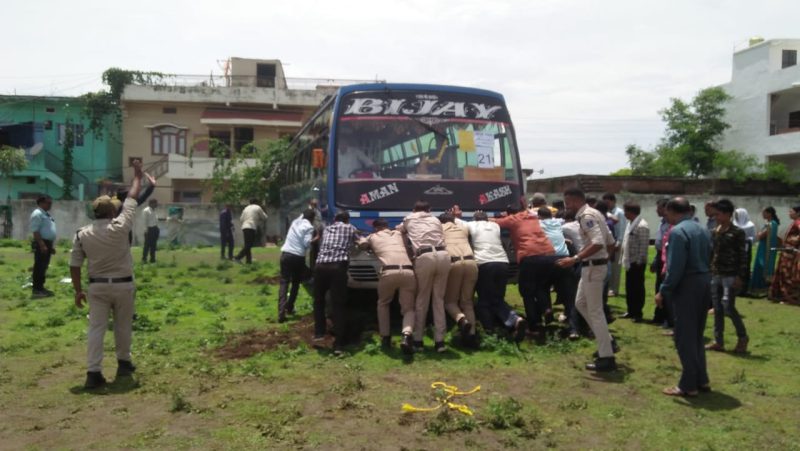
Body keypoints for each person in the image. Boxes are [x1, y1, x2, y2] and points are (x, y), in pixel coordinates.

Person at [69, 163, 144, 389]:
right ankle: (123, 362)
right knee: (123, 326)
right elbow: (132, 197)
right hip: (123, 285)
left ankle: (93, 373)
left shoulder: (82, 234)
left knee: (96, 329)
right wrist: (138, 176)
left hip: (97, 287)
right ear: (112, 212)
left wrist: (77, 290)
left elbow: (74, 264)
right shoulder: (121, 226)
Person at [655, 197, 712, 397]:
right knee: (696, 334)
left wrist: (664, 290)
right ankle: (701, 378)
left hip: (688, 284)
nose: (665, 216)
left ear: (672, 211)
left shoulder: (678, 232)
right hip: (704, 281)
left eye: (666, 212)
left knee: (684, 336)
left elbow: (675, 267)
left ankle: (688, 384)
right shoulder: (702, 228)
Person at [557, 188, 617, 372]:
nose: (567, 207)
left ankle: (606, 357)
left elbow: (598, 242)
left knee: (595, 310)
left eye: (567, 203)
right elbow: (611, 242)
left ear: (574, 201)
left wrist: (575, 259)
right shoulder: (596, 213)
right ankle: (607, 341)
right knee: (581, 304)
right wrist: (605, 259)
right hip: (594, 266)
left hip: (592, 267)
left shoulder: (586, 216)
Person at [494, 200, 558, 337]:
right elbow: (527, 210)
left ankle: (535, 323)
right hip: (549, 255)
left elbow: (493, 222)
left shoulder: (513, 219)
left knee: (527, 291)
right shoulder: (533, 216)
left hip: (530, 256)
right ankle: (547, 309)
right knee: (541, 287)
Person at [460, 210, 527, 341]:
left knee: (484, 301)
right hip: (503, 263)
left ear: (474, 219)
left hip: (484, 263)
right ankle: (516, 320)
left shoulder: (470, 225)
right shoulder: (495, 226)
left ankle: (489, 331)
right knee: (498, 298)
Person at [398, 201, 450, 353]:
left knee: (422, 299)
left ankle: (418, 340)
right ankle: (440, 342)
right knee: (439, 299)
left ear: (414, 209)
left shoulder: (409, 218)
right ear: (430, 209)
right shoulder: (435, 220)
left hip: (424, 257)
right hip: (443, 256)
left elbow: (400, 230)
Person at [358, 218, 416, 354]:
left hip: (389, 272)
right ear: (386, 226)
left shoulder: (372, 236)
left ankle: (385, 337)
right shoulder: (398, 234)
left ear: (376, 228)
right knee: (408, 309)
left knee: (383, 303)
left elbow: (363, 246)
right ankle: (406, 335)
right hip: (408, 271)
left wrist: (359, 238)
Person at [314, 210, 361, 355]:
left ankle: (319, 333)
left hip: (320, 266)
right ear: (347, 220)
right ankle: (339, 344)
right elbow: (360, 242)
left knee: (319, 301)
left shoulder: (327, 228)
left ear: (335, 219)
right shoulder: (350, 228)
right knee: (338, 303)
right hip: (337, 266)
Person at [706, 199, 749, 353]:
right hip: (716, 273)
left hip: (730, 275)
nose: (715, 217)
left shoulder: (737, 232)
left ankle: (742, 337)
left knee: (728, 308)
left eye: (718, 214)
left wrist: (740, 276)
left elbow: (743, 256)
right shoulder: (715, 231)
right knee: (717, 308)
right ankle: (718, 340)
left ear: (727, 214)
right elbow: (713, 253)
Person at [439, 212, 479, 348]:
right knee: (467, 301)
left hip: (454, 263)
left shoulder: (440, 229)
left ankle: (461, 320)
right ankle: (472, 336)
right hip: (471, 263)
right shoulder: (463, 228)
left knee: (450, 301)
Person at [278, 209, 316, 322]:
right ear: (312, 219)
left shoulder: (295, 222)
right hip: (297, 257)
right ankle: (289, 307)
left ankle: (281, 312)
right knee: (295, 283)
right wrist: (316, 239)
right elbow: (306, 243)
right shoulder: (309, 227)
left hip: (285, 254)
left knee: (284, 283)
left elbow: (303, 215)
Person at [620, 200, 649, 322]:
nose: (624, 213)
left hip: (637, 262)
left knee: (637, 288)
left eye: (625, 211)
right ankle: (631, 310)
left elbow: (643, 246)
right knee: (629, 287)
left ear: (631, 212)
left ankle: (638, 313)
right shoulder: (630, 223)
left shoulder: (641, 225)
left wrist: (639, 261)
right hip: (629, 261)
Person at [769, 205, 800, 305]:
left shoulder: (798, 222)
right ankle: (781, 295)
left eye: (791, 211)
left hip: (790, 254)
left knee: (787, 275)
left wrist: (793, 241)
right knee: (782, 274)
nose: (789, 213)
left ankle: (789, 298)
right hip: (786, 252)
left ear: (798, 213)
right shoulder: (794, 222)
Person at [30, 195, 56, 298]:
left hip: (47, 243)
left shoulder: (46, 214)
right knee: (39, 266)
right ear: (41, 203)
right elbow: (35, 231)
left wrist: (51, 246)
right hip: (42, 243)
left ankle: (41, 287)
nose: (50, 205)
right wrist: (42, 245)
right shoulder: (37, 214)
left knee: (44, 266)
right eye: (48, 203)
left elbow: (48, 230)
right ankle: (36, 289)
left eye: (51, 203)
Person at [650, 198, 672, 325]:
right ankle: (659, 314)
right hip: (660, 256)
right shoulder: (662, 222)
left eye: (659, 208)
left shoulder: (671, 223)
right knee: (658, 286)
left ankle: (666, 317)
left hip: (668, 257)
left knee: (665, 286)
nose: (656, 210)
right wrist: (655, 259)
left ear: (665, 208)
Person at [750, 206, 780, 295]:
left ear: (769, 213)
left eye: (764, 213)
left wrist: (759, 234)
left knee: (762, 265)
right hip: (765, 247)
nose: (763, 214)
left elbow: (760, 236)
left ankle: (761, 286)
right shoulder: (771, 223)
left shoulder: (771, 224)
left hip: (765, 248)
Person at [602, 193, 626, 297]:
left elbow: (621, 228)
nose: (607, 204)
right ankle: (608, 287)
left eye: (608, 202)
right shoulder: (607, 212)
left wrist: (619, 242)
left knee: (615, 267)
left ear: (613, 201)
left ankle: (614, 289)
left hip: (617, 241)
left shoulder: (619, 213)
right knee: (608, 266)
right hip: (609, 242)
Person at [234, 199, 268, 264]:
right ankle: (237, 257)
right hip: (251, 227)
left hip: (244, 227)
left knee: (247, 244)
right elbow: (265, 217)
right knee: (249, 245)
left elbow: (241, 219)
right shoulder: (257, 207)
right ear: (256, 202)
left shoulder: (246, 208)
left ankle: (248, 261)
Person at [733, 207, 756, 296]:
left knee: (745, 268)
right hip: (735, 249)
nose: (736, 216)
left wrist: (747, 240)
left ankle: (744, 289)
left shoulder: (750, 225)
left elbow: (753, 238)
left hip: (746, 248)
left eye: (738, 214)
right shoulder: (733, 224)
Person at [141, 199, 159, 264]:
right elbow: (144, 221)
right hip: (149, 229)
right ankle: (144, 259)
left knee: (153, 245)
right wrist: (146, 230)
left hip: (155, 229)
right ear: (151, 203)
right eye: (156, 203)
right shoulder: (146, 211)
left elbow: (155, 220)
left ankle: (152, 259)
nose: (157, 204)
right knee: (147, 245)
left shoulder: (154, 211)